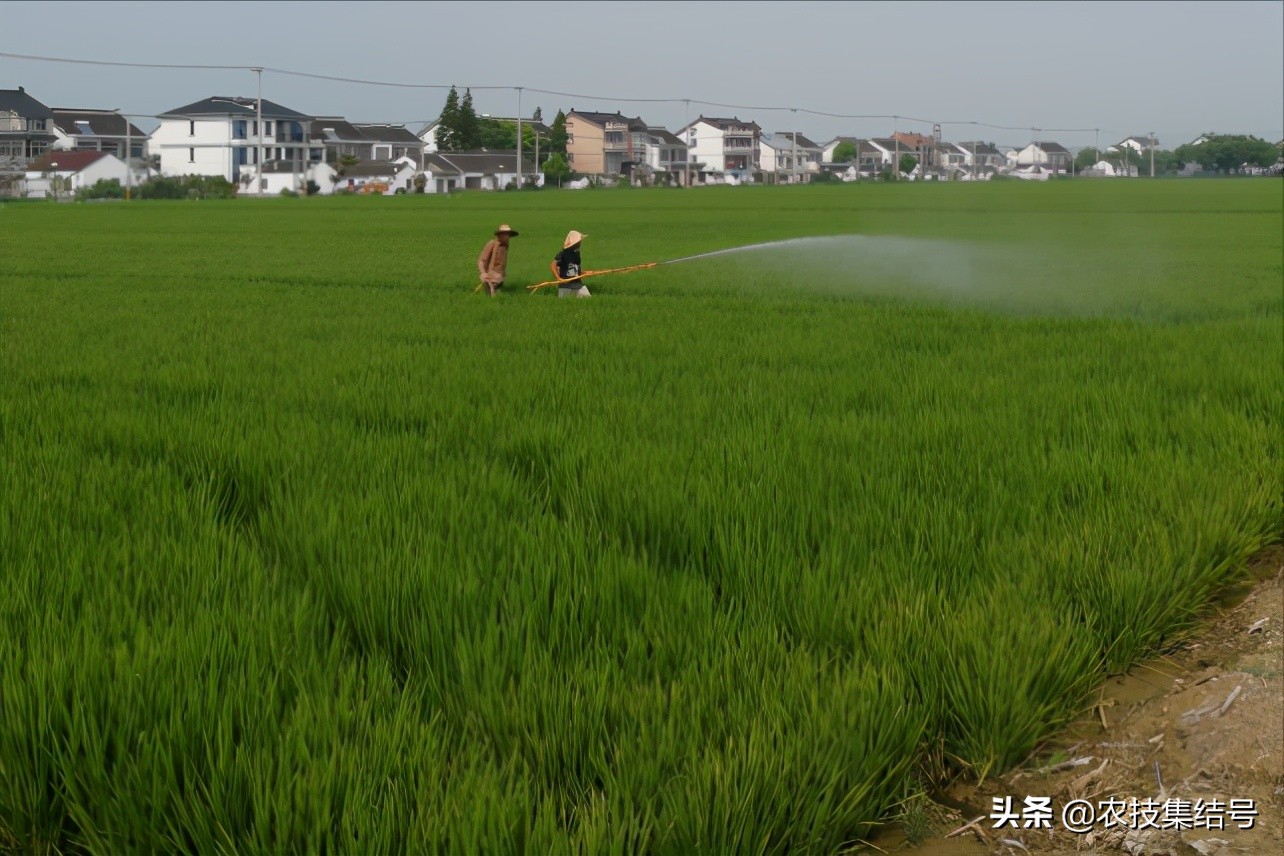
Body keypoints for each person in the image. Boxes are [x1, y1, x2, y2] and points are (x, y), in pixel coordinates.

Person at [477, 224, 518, 295]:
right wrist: (483, 273)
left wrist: (502, 275)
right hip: (490, 277)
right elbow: (482, 260)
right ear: (500, 235)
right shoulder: (492, 244)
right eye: (505, 234)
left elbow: (502, 264)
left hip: (499, 279)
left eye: (508, 235)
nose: (507, 237)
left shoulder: (505, 247)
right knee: (490, 294)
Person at [551, 230, 591, 298]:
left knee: (588, 299)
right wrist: (558, 278)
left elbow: (575, 269)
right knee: (565, 303)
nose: (580, 243)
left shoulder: (576, 253)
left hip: (577, 284)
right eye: (579, 241)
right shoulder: (563, 253)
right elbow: (553, 265)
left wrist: (586, 272)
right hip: (565, 285)